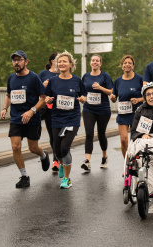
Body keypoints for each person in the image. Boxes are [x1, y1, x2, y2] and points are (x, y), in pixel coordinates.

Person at [0, 50, 50, 188]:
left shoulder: (33, 78)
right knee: (15, 146)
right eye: (14, 60)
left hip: (32, 119)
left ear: (26, 62)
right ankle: (24, 176)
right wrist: (4, 108)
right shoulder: (11, 78)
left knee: (33, 148)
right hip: (16, 118)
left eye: (19, 59)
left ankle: (43, 154)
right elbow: (8, 95)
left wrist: (31, 111)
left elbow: (43, 99)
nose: (16, 62)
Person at [45, 51, 87, 189]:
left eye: (64, 61)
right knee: (57, 150)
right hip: (57, 118)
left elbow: (84, 96)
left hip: (72, 118)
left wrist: (82, 99)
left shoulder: (76, 80)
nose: (61, 63)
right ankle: (62, 165)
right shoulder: (53, 81)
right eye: (59, 61)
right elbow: (46, 97)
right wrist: (48, 99)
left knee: (65, 148)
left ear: (70, 64)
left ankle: (67, 179)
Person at [81, 54, 113, 171]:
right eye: (93, 60)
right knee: (89, 134)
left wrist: (100, 88)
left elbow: (111, 92)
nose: (95, 62)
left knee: (101, 135)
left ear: (100, 63)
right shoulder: (85, 76)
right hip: (88, 108)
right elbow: (82, 92)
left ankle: (104, 156)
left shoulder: (105, 76)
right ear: (90, 63)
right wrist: (83, 98)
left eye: (97, 61)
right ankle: (87, 161)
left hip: (103, 109)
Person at [110, 55, 143, 158]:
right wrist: (112, 98)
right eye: (125, 63)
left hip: (136, 113)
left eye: (129, 63)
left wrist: (138, 100)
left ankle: (134, 160)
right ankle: (127, 163)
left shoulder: (139, 79)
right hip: (123, 114)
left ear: (133, 66)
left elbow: (147, 96)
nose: (127, 65)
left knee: (133, 140)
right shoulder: (118, 81)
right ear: (122, 65)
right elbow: (115, 97)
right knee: (123, 139)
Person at [38, 52, 60, 172]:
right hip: (49, 109)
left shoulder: (64, 72)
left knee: (61, 134)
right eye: (58, 59)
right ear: (52, 61)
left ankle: (60, 156)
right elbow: (35, 88)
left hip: (62, 108)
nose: (61, 61)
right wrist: (43, 85)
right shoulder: (43, 74)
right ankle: (56, 159)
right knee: (53, 135)